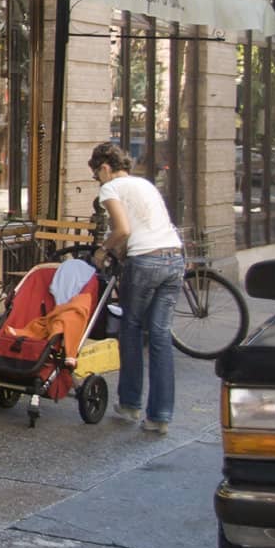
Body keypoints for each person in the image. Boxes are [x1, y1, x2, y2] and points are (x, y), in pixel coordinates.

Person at [89, 141, 183, 435]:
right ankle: (160, 416)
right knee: (159, 336)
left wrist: (103, 251)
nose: (98, 181)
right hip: (174, 259)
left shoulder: (110, 189)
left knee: (130, 329)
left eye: (96, 174)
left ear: (104, 167)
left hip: (144, 263)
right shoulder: (144, 184)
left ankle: (130, 403)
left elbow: (123, 230)